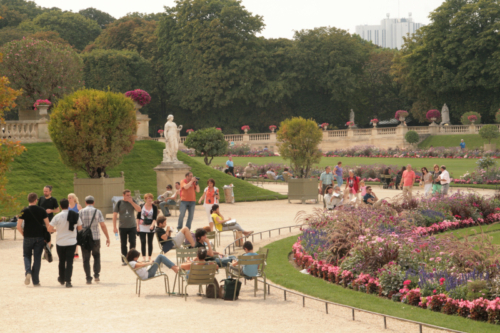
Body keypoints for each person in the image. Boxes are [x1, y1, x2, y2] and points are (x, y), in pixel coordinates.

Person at [17, 193, 50, 286]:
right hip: (39, 237)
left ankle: (28, 271)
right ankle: (36, 281)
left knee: (26, 256)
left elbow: (18, 226)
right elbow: (48, 225)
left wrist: (24, 235)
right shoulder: (42, 210)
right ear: (36, 200)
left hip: (28, 237)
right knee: (37, 258)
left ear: (28, 200)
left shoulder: (23, 210)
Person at [48, 198, 82, 288]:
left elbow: (49, 229)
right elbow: (80, 228)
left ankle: (61, 278)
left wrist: (56, 230)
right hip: (71, 242)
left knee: (61, 261)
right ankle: (68, 281)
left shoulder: (57, 216)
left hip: (60, 242)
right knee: (70, 262)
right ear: (68, 205)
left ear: (60, 206)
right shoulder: (75, 215)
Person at [80, 195, 110, 284]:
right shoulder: (98, 211)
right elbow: (103, 225)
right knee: (96, 256)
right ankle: (96, 275)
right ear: (93, 202)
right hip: (95, 237)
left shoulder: (81, 212)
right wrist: (107, 237)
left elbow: (78, 226)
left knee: (86, 258)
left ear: (85, 202)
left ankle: (88, 277)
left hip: (84, 237)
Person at [113, 189, 141, 265]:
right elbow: (115, 215)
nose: (129, 196)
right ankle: (125, 260)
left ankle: (132, 259)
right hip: (122, 227)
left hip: (132, 226)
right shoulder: (119, 203)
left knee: (132, 242)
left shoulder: (133, 201)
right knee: (123, 244)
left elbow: (139, 210)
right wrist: (114, 227)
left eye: (130, 195)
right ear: (123, 195)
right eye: (127, 195)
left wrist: (131, 202)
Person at [38, 185, 59, 257]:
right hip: (41, 220)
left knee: (48, 236)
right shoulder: (41, 198)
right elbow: (38, 208)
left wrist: (51, 210)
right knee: (41, 236)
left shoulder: (53, 200)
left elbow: (58, 210)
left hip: (49, 220)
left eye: (46, 191)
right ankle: (47, 248)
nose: (45, 192)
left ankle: (47, 253)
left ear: (50, 191)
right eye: (44, 191)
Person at [137, 193, 157, 262]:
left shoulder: (154, 207)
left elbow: (154, 218)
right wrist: (137, 226)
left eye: (151, 198)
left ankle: (149, 257)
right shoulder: (141, 206)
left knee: (150, 242)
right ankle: (143, 257)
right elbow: (138, 217)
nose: (150, 199)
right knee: (143, 241)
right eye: (148, 198)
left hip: (150, 226)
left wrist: (152, 225)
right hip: (142, 225)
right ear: (145, 199)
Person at [68, 193, 83, 259]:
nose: (69, 199)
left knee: (75, 238)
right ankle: (71, 252)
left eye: (70, 198)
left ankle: (76, 252)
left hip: (76, 225)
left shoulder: (78, 206)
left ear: (74, 198)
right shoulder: (67, 206)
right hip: (69, 225)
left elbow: (82, 215)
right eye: (68, 198)